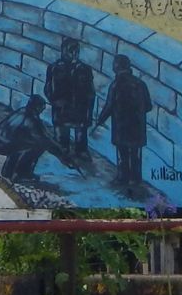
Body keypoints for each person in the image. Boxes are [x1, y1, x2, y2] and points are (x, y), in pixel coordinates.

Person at [94, 53, 154, 195]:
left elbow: (109, 106)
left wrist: (99, 121)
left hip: (121, 126)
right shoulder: (140, 84)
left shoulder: (116, 85)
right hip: (137, 126)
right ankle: (135, 179)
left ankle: (123, 178)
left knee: (122, 153)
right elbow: (149, 106)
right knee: (135, 153)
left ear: (117, 67)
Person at [43, 36, 95, 169]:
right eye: (71, 51)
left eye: (76, 51)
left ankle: (80, 151)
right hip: (62, 109)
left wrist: (89, 112)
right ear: (63, 51)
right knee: (62, 137)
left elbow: (90, 91)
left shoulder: (85, 69)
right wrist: (54, 101)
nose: (74, 54)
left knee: (80, 136)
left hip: (79, 109)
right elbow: (48, 88)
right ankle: (63, 151)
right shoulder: (54, 68)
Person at [0, 95, 60, 187]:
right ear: (37, 107)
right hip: (5, 144)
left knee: (22, 142)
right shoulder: (31, 119)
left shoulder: (22, 111)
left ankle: (7, 171)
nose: (42, 110)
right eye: (42, 108)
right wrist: (60, 153)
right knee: (36, 146)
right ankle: (21, 175)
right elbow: (42, 139)